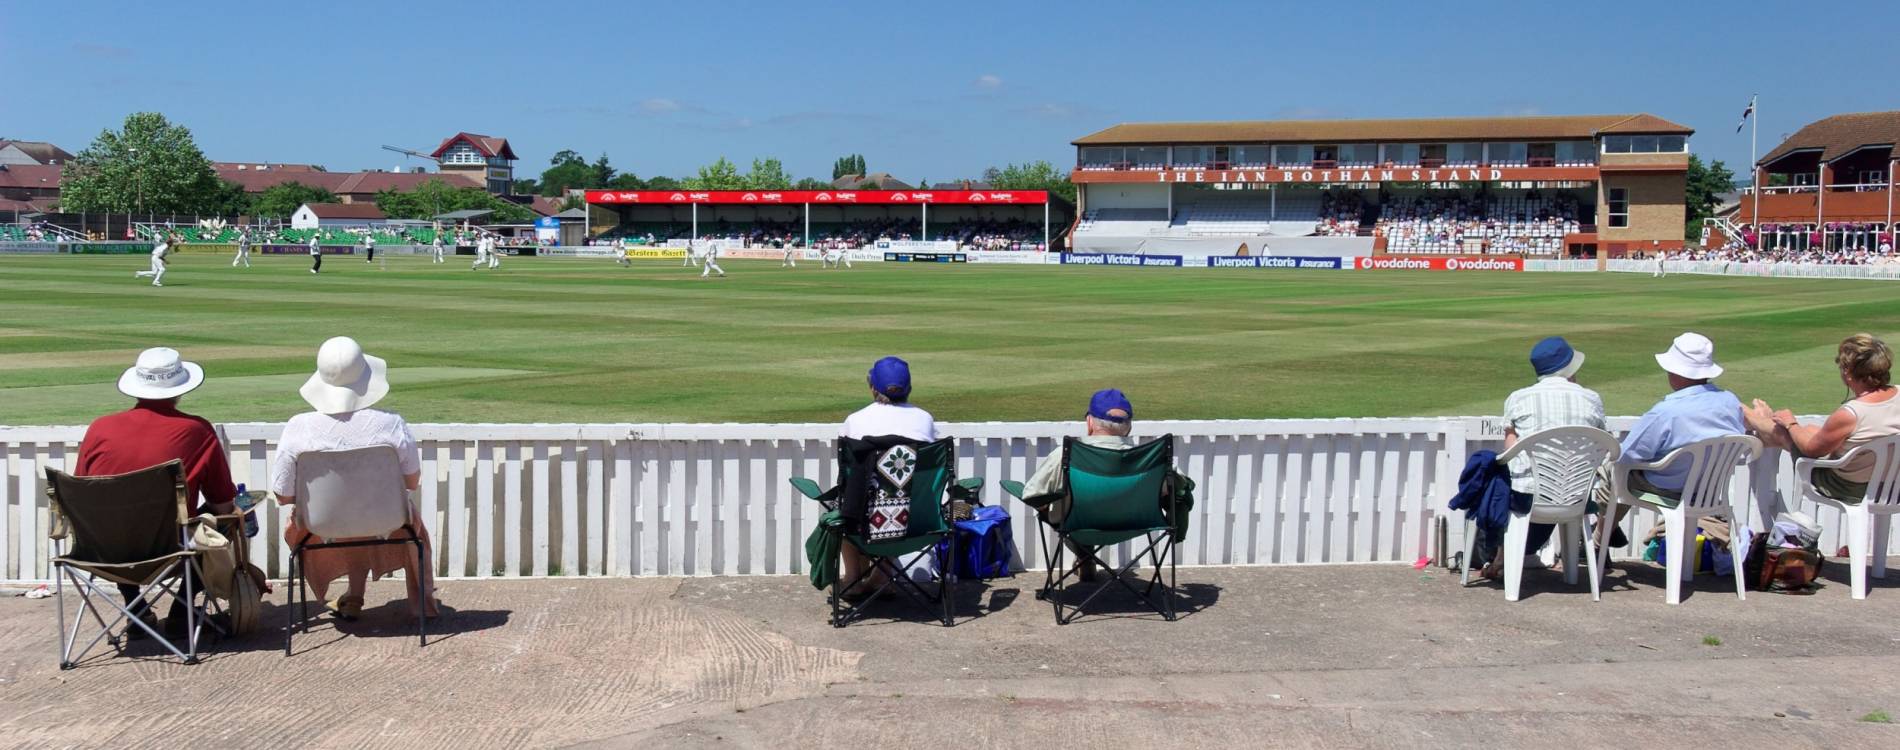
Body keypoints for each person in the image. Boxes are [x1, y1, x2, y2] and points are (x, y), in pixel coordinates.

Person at [270, 336, 439, 620]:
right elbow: (412, 481)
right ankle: (376, 597)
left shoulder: (298, 427)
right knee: (366, 515)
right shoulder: (391, 424)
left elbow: (283, 495)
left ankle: (353, 595)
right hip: (387, 518)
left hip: (319, 522)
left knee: (347, 516)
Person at [76, 347, 238, 638]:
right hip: (169, 549)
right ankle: (182, 609)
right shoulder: (196, 430)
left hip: (103, 550)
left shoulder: (99, 428)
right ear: (179, 388)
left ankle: (134, 608)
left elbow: (82, 493)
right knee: (226, 522)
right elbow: (223, 503)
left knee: (119, 522)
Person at [1472, 337, 1609, 577]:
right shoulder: (1591, 398)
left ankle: (1497, 559)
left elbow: (1510, 451)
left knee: (1498, 478)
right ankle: (1510, 559)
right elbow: (1602, 443)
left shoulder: (1519, 398)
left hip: (1531, 495)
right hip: (1577, 494)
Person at [1600, 332, 1746, 520]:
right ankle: (1603, 534)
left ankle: (1598, 539)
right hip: (1708, 489)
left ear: (1677, 373)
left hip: (1668, 489)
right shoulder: (1730, 401)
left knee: (1611, 471)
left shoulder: (1666, 412)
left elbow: (1625, 456)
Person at [1746, 334, 1900, 501]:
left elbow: (1811, 450)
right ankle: (1761, 422)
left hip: (1852, 489)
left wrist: (1790, 422)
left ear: (1847, 372)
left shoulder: (1851, 414)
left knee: (1784, 434)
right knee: (1811, 430)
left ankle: (1751, 416)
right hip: (1893, 487)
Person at [836, 356, 936, 599]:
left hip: (864, 518)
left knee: (844, 504)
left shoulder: (856, 421)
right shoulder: (925, 420)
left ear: (872, 387)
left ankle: (852, 579)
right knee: (897, 491)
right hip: (919, 519)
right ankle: (881, 576)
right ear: (909, 388)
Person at [1020, 388, 1142, 581]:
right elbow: (1179, 489)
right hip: (1133, 526)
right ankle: (1086, 558)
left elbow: (1032, 494)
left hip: (1076, 526)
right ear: (1128, 426)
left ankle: (1085, 557)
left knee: (1054, 508)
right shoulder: (1149, 458)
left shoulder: (1066, 455)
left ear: (1090, 422)